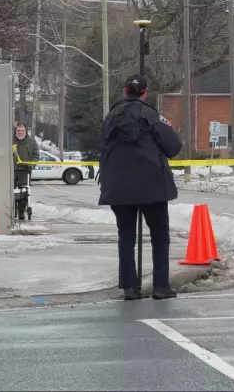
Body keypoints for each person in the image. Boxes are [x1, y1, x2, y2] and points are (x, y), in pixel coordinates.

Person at [99, 74, 183, 301]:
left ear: (125, 91)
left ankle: (129, 288)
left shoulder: (110, 117)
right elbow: (174, 147)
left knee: (126, 237)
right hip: (152, 188)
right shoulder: (152, 116)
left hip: (118, 188)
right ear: (145, 93)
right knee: (159, 237)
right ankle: (160, 287)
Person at [13, 123, 38, 220]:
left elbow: (36, 155)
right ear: (16, 131)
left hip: (25, 170)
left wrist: (32, 164)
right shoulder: (11, 141)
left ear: (25, 131)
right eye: (18, 131)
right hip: (12, 170)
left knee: (23, 192)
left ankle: (21, 212)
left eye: (22, 131)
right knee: (11, 191)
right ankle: (13, 210)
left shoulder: (31, 142)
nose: (20, 132)